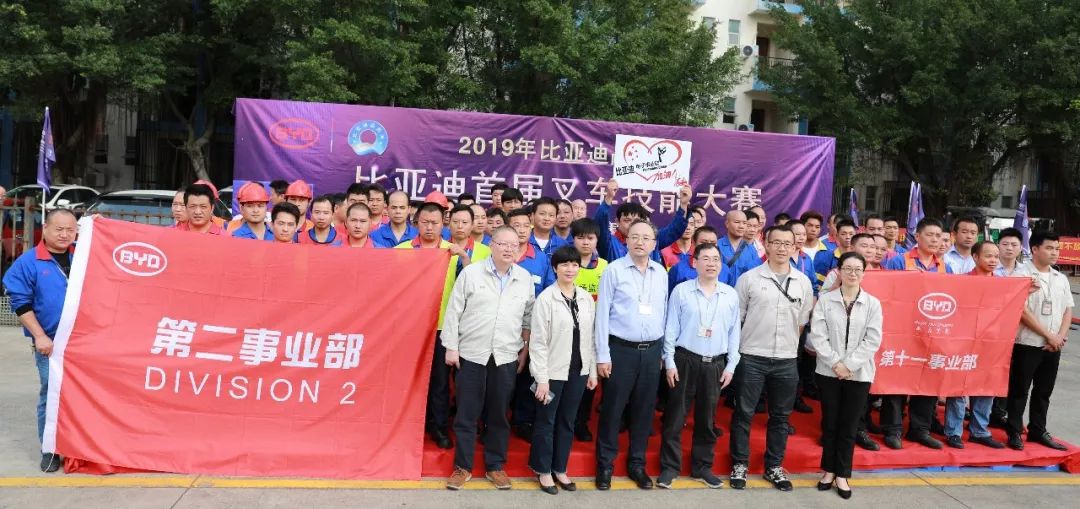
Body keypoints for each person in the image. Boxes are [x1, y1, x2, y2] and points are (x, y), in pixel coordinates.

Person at [442, 226, 536, 491]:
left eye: (514, 245)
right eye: (503, 244)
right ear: (491, 245)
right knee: (466, 413)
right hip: (472, 353)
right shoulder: (472, 273)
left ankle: (495, 466)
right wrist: (451, 347)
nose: (508, 249)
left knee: (499, 414)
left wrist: (525, 349)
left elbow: (528, 318)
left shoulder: (524, 278)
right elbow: (454, 311)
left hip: (506, 355)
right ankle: (462, 467)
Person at [728, 225, 814, 491]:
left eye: (787, 244)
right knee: (744, 413)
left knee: (781, 417)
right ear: (766, 244)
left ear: (794, 247)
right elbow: (737, 319)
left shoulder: (803, 282)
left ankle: (774, 466)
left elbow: (801, 322)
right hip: (752, 356)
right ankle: (739, 464)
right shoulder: (749, 279)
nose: (781, 248)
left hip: (786, 359)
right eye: (776, 242)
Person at [657, 243, 741, 490]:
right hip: (685, 360)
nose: (711, 263)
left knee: (707, 420)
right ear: (694, 262)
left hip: (715, 364)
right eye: (706, 258)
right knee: (675, 417)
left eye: (716, 259)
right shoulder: (682, 291)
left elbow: (734, 332)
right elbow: (670, 328)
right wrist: (669, 361)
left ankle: (702, 467)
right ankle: (669, 467)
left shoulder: (730, 295)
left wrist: (731, 365)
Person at [593, 220, 670, 491]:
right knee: (613, 409)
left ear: (654, 243)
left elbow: (663, 312)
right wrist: (602, 355)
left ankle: (637, 464)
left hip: (651, 351)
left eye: (646, 238)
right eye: (634, 237)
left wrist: (662, 353)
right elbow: (602, 314)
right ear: (626, 240)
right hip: (620, 350)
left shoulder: (660, 273)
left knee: (644, 410)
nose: (640, 242)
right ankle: (605, 464)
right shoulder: (613, 270)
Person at [3, 209, 77, 473]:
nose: (64, 234)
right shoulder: (29, 262)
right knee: (52, 392)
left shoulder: (83, 256)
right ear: (45, 228)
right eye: (59, 229)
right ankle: (50, 449)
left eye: (70, 230)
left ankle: (77, 446)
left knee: (81, 394)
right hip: (50, 342)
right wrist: (39, 335)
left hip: (82, 341)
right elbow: (20, 303)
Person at [809, 252, 883, 500]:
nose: (852, 273)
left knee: (849, 425)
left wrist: (849, 365)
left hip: (859, 374)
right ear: (839, 271)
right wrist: (835, 363)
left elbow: (873, 339)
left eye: (857, 269)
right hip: (828, 372)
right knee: (830, 423)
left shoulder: (872, 304)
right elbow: (818, 335)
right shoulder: (825, 301)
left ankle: (842, 474)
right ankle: (828, 470)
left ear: (864, 273)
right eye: (847, 268)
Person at [397, 202, 471, 450]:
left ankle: (438, 427)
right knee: (409, 380)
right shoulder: (402, 250)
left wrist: (465, 258)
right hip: (410, 327)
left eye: (435, 223)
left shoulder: (453, 252)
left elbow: (471, 284)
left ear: (443, 224)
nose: (429, 227)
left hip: (442, 327)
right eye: (425, 222)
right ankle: (407, 426)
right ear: (416, 222)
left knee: (439, 382)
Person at [528, 246, 598, 494]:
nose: (570, 269)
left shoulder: (586, 298)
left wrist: (591, 372)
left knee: (568, 421)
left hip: (578, 371)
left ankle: (560, 468)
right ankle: (543, 470)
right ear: (555, 268)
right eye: (564, 264)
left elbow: (590, 338)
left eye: (574, 264)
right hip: (552, 373)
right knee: (546, 421)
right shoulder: (546, 299)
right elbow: (538, 342)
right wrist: (541, 378)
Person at [880, 218, 951, 450]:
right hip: (902, 331)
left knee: (927, 381)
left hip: (931, 332)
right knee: (897, 380)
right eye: (930, 235)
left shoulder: (945, 267)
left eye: (938, 236)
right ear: (917, 237)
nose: (935, 240)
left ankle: (920, 429)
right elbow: (888, 294)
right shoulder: (899, 261)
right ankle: (893, 429)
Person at [1005, 231, 1073, 452]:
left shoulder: (1060, 277)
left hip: (1053, 346)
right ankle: (1014, 431)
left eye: (1056, 249)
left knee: (1044, 391)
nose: (1054, 253)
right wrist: (1049, 335)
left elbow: (1067, 309)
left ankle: (1038, 429)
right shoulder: (1020, 275)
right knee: (1019, 390)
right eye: (1049, 248)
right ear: (1034, 249)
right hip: (1027, 342)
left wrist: (1059, 336)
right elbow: (1022, 311)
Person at [943, 241, 1007, 450]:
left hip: (991, 343)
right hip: (964, 341)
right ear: (975, 257)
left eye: (996, 256)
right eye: (988, 256)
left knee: (986, 385)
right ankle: (953, 431)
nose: (993, 260)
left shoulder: (1003, 285)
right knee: (958, 386)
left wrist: (1027, 291)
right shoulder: (962, 282)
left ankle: (979, 431)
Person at [507, 208, 555, 439]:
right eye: (515, 225)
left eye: (526, 225)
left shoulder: (541, 259)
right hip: (502, 327)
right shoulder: (499, 255)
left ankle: (522, 420)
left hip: (532, 329)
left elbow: (550, 292)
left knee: (527, 374)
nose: (521, 230)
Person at [593, 179, 691, 264]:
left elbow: (674, 230)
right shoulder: (609, 243)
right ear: (617, 222)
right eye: (627, 220)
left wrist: (683, 204)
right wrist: (609, 197)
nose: (631, 224)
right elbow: (599, 224)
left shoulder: (652, 240)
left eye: (636, 221)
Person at [667, 226, 729, 293]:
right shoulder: (678, 269)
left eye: (713, 243)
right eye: (704, 243)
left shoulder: (725, 269)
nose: (708, 246)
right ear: (693, 243)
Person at [719, 209, 763, 282]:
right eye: (737, 222)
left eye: (744, 223)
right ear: (727, 223)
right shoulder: (717, 246)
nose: (741, 226)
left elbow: (756, 273)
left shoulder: (751, 249)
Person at [448, 205, 491, 274]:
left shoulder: (486, 251)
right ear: (449, 224)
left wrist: (464, 256)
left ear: (472, 225)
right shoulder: (441, 247)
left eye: (464, 222)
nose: (460, 226)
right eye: (455, 222)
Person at [813, 217, 856, 284]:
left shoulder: (859, 258)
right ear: (837, 235)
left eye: (851, 234)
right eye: (843, 234)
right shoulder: (824, 257)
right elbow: (817, 284)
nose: (848, 237)